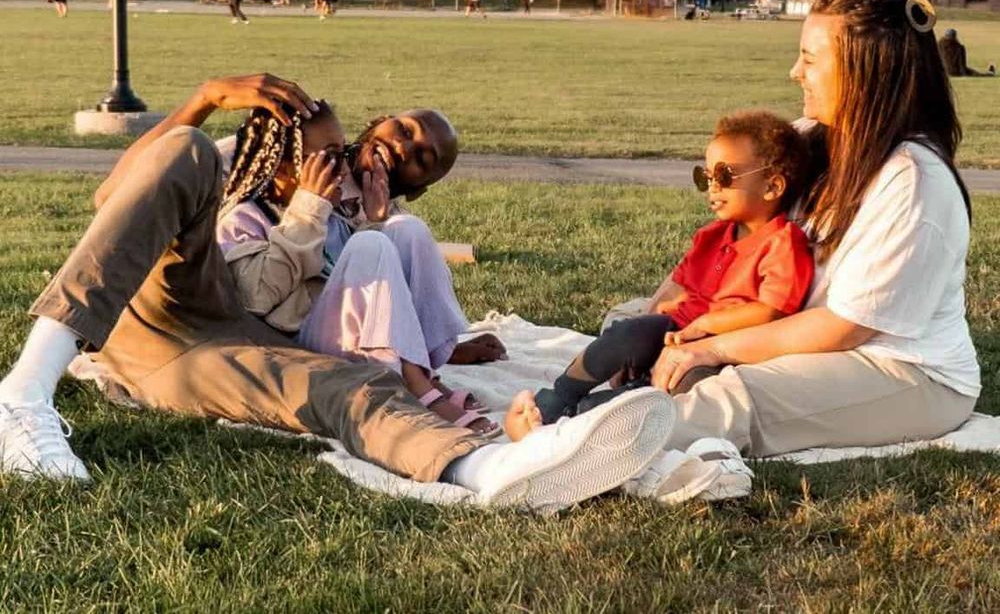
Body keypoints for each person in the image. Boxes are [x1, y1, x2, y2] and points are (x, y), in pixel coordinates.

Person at [0, 73, 678, 510]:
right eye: (404, 131)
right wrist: (206, 99)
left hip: (227, 348)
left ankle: (495, 469)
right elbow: (112, 194)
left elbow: (338, 289)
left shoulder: (347, 185)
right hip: (171, 301)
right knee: (186, 147)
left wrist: (357, 222)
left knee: (351, 386)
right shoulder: (260, 155)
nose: (335, 160)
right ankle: (25, 392)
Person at [608, 0, 981, 503]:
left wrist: (713, 345)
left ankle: (584, 446)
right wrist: (664, 320)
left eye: (809, 58)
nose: (794, 72)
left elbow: (846, 327)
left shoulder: (912, 181)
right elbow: (730, 238)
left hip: (904, 371)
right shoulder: (810, 140)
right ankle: (619, 405)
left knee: (737, 397)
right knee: (633, 325)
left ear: (863, 70)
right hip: (792, 326)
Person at [505, 111, 813, 439]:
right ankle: (557, 399)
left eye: (724, 176)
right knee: (627, 334)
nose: (712, 188)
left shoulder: (783, 243)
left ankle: (586, 418)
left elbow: (773, 310)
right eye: (705, 177)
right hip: (677, 330)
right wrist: (648, 331)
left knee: (685, 387)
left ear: (772, 186)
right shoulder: (712, 236)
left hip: (724, 347)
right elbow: (677, 290)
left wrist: (709, 325)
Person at [216, 104, 504, 435]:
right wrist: (311, 209)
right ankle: (415, 386)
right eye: (405, 130)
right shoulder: (247, 216)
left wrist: (374, 220)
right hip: (299, 348)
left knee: (407, 229)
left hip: (341, 328)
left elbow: (352, 276)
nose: (403, 147)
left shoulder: (343, 200)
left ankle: (420, 372)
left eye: (422, 158)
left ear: (418, 189)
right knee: (373, 244)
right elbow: (257, 298)